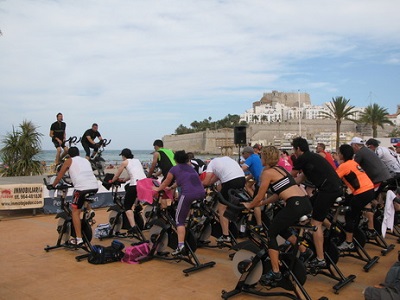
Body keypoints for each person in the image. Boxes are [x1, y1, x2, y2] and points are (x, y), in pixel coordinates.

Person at [243, 146, 312, 282]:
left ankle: (276, 272)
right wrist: (261, 204)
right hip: (304, 202)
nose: (260, 158)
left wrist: (250, 205)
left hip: (294, 204)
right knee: (280, 226)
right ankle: (304, 250)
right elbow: (278, 195)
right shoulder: (280, 169)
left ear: (265, 157)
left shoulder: (266, 172)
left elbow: (259, 195)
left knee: (271, 233)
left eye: (262, 156)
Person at [291, 137, 343, 268]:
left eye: (294, 149)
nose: (294, 152)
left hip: (328, 190)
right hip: (334, 188)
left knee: (315, 223)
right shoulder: (311, 157)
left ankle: (320, 259)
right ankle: (334, 230)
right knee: (308, 206)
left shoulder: (302, 158)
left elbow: (291, 175)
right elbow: (300, 178)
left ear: (298, 148)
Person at [154, 150, 206, 256]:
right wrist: (172, 187)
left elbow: (165, 182)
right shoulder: (190, 168)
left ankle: (180, 246)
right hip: (201, 192)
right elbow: (180, 180)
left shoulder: (174, 168)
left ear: (175, 159)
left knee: (179, 220)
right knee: (186, 214)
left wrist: (158, 189)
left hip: (188, 194)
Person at [52, 147, 98, 245]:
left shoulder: (69, 161)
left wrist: (52, 185)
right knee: (83, 199)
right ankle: (89, 210)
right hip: (94, 186)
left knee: (75, 212)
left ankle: (79, 239)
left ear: (69, 155)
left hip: (81, 188)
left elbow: (60, 175)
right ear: (78, 153)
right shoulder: (85, 160)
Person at [335, 144, 375, 251]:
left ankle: (349, 242)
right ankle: (358, 230)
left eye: (338, 153)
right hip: (369, 189)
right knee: (353, 209)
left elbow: (333, 179)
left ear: (342, 155)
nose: (337, 155)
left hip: (362, 192)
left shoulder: (344, 166)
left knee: (349, 215)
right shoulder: (353, 163)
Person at [351, 137, 392, 238]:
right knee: (370, 198)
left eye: (352, 146)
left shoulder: (360, 153)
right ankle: (377, 210)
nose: (352, 149)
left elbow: (353, 168)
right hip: (383, 176)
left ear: (355, 146)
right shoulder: (367, 150)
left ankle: (371, 227)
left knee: (365, 199)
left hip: (377, 178)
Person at [201, 156, 246, 243]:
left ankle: (225, 235)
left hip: (230, 181)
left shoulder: (211, 164)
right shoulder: (227, 159)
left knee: (222, 208)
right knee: (232, 203)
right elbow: (216, 178)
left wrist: (198, 185)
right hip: (242, 179)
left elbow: (206, 181)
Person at [109, 148, 147, 235]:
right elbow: (134, 173)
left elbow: (117, 174)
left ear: (123, 156)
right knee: (128, 187)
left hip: (135, 184)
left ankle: (133, 227)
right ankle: (137, 204)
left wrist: (113, 180)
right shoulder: (137, 161)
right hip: (144, 183)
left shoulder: (125, 162)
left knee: (127, 206)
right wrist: (124, 180)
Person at [240, 146, 263, 225]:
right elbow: (253, 172)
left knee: (255, 203)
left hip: (261, 181)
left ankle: (259, 224)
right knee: (248, 186)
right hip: (261, 179)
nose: (242, 155)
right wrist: (245, 180)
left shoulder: (250, 158)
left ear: (247, 153)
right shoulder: (256, 157)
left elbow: (242, 169)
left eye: (243, 153)